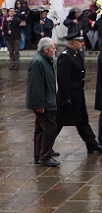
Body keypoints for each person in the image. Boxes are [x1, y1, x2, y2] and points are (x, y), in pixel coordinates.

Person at [55, 33, 102, 154]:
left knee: (82, 120)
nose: (82, 44)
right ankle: (45, 148)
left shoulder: (76, 54)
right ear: (72, 42)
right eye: (80, 42)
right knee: (58, 123)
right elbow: (63, 79)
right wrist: (66, 97)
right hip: (68, 97)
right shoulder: (65, 56)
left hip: (77, 94)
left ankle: (92, 144)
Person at [26, 38, 59, 167]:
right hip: (44, 102)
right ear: (46, 50)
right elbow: (36, 86)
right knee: (51, 129)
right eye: (53, 48)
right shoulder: (38, 62)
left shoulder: (45, 60)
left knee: (40, 129)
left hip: (47, 100)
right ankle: (44, 156)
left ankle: (39, 155)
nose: (55, 50)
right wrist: (39, 105)